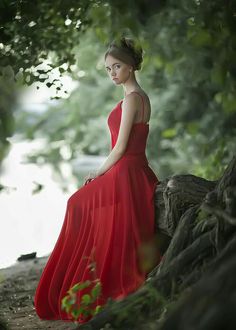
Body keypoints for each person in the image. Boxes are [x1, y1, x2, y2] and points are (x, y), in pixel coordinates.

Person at [34, 36, 162, 325]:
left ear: (131, 66)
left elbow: (119, 148)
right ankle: (88, 272)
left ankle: (81, 280)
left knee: (76, 203)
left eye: (117, 66)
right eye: (108, 69)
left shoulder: (132, 100)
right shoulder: (139, 98)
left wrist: (98, 172)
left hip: (126, 171)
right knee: (83, 207)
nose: (112, 73)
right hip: (131, 171)